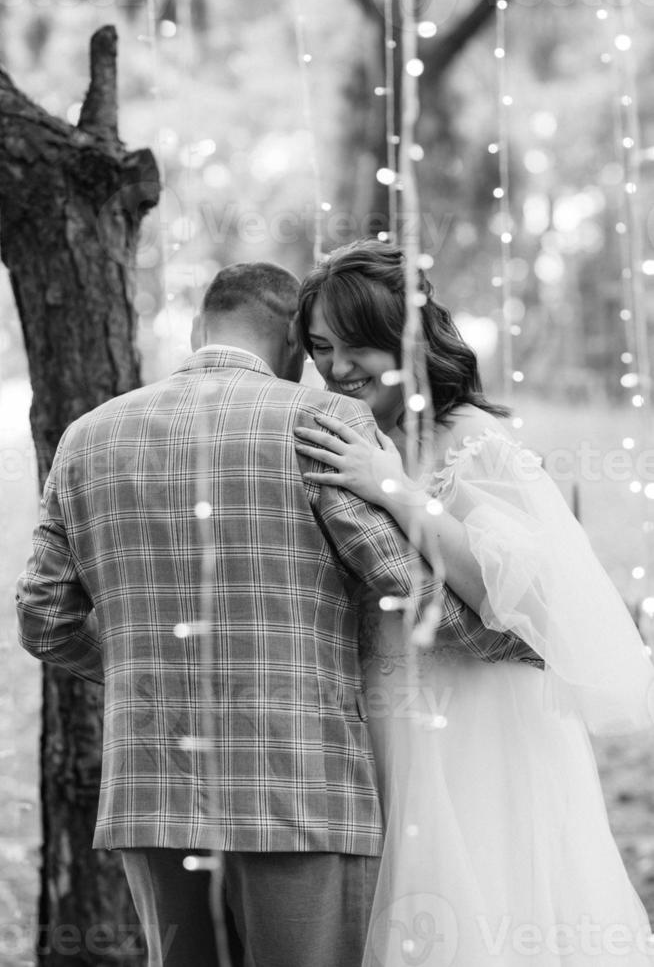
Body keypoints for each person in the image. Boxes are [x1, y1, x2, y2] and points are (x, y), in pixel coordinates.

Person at [16, 261, 536, 967]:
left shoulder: (86, 435)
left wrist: (153, 675)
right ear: (293, 342)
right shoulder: (318, 422)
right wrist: (523, 636)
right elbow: (405, 591)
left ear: (203, 329)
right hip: (302, 791)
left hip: (152, 791)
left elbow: (43, 617)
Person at [295, 238, 654, 966]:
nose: (336, 368)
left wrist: (389, 486)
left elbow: (503, 591)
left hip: (480, 714)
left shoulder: (475, 440)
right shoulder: (357, 435)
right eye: (321, 347)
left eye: (356, 347)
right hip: (390, 714)